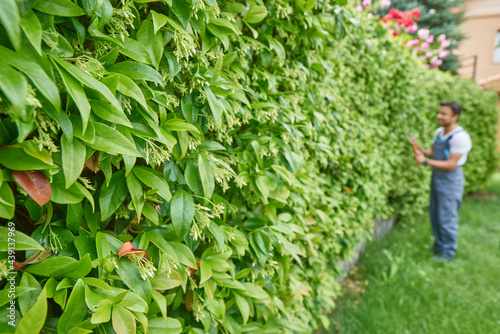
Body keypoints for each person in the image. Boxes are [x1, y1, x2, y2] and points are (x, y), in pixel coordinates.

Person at [411, 102, 472, 262]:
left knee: (447, 218)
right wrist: (420, 150)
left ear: (455, 116)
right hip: (437, 178)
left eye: (444, 114)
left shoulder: (460, 137)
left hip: (451, 182)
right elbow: (433, 152)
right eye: (439, 113)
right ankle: (439, 246)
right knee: (436, 214)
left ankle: (448, 252)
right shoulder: (440, 132)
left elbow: (451, 164)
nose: (439, 116)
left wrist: (425, 162)